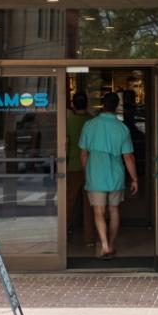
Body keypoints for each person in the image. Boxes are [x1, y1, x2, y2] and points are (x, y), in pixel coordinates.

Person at [79, 92, 138, 258]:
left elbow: (83, 154)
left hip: (95, 174)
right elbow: (128, 157)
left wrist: (87, 172)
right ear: (116, 105)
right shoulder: (122, 128)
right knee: (114, 210)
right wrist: (134, 178)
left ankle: (104, 245)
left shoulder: (89, 125)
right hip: (116, 175)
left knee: (98, 211)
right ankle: (111, 244)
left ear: (102, 104)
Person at [65, 92, 93, 240]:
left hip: (73, 165)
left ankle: (64, 232)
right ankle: (89, 237)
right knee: (89, 204)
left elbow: (66, 143)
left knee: (69, 201)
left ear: (73, 105)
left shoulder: (69, 122)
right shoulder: (92, 121)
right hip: (91, 167)